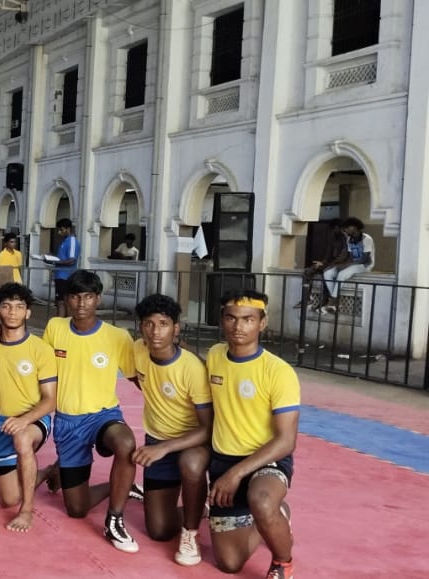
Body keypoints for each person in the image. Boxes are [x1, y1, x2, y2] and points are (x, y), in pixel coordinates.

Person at [40, 269, 140, 553]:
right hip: (68, 423)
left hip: (103, 417)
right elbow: (38, 365)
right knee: (77, 509)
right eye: (75, 296)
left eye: (88, 296)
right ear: (67, 299)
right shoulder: (55, 328)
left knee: (126, 443)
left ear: (98, 299)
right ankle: (121, 486)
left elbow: (138, 379)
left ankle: (115, 519)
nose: (81, 303)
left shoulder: (118, 336)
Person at [206, 290, 300, 579]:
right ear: (222, 320)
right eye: (231, 318)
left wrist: (235, 474)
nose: (238, 326)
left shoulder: (279, 372)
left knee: (261, 500)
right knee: (229, 564)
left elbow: (286, 441)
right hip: (222, 459)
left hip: (265, 461)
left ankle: (282, 562)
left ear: (262, 323)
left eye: (248, 319)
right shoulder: (214, 356)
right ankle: (269, 516)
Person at [131, 294, 212, 565]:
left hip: (192, 443)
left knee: (191, 463)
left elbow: (208, 428)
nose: (155, 331)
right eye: (149, 324)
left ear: (176, 328)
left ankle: (190, 533)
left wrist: (164, 448)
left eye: (163, 324)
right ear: (141, 327)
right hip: (157, 440)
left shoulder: (192, 369)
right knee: (159, 530)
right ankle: (199, 508)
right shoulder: (138, 351)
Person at [0, 283, 56, 532]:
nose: (12, 312)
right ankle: (49, 472)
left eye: (19, 307)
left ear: (28, 312)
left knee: (22, 439)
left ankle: (27, 510)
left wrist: (24, 420)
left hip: (33, 420)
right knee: (8, 499)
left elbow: (50, 400)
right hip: (0, 423)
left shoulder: (41, 350)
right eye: (7, 306)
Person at [320, 217, 375, 314]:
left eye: (347, 227)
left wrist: (346, 266)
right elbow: (350, 257)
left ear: (355, 227)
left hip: (365, 265)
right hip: (353, 264)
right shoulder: (349, 239)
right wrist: (339, 265)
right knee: (328, 273)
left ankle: (332, 301)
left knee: (342, 274)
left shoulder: (367, 239)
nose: (345, 229)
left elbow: (364, 259)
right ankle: (335, 302)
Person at [46, 218, 79, 317]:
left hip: (66, 276)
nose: (59, 232)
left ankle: (64, 323)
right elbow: (63, 258)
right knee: (60, 301)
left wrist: (55, 261)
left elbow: (71, 260)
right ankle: (61, 322)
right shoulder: (65, 241)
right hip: (60, 275)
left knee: (64, 302)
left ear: (68, 229)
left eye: (61, 230)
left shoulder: (72, 241)